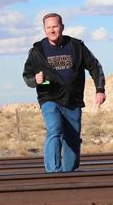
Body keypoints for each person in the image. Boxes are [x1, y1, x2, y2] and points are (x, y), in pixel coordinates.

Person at [22, 13, 106, 172]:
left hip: (72, 100)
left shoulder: (76, 46)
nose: (52, 30)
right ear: (44, 29)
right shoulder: (37, 51)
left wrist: (99, 90)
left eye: (55, 26)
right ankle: (53, 173)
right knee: (55, 129)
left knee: (72, 139)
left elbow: (95, 66)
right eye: (48, 27)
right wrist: (35, 80)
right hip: (49, 98)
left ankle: (69, 175)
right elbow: (27, 76)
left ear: (62, 27)